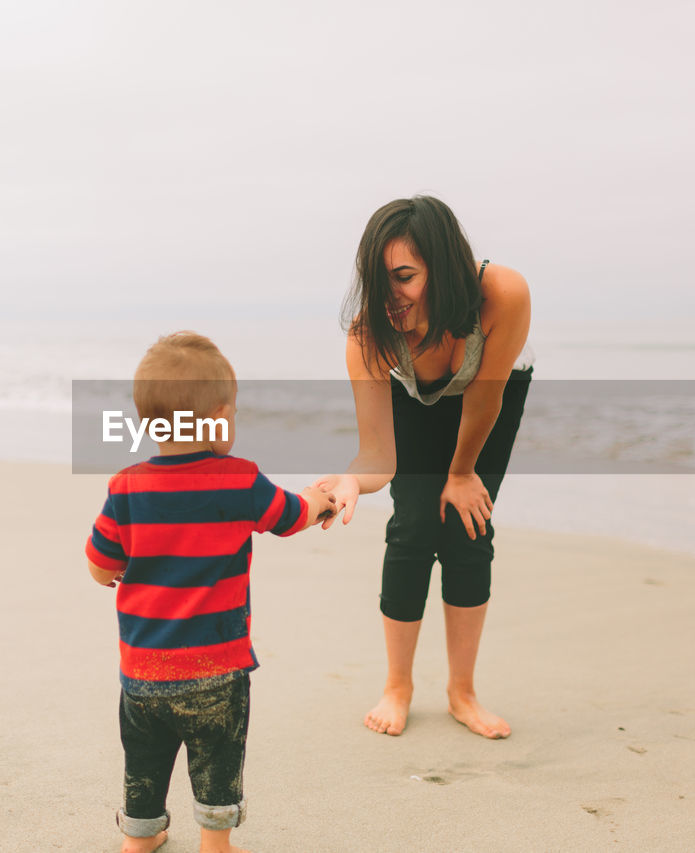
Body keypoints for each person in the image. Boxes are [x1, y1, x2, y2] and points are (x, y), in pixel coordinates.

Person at [86, 332, 335, 853]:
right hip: (216, 670)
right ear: (220, 417)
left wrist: (115, 570)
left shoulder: (126, 486)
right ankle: (215, 844)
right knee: (217, 756)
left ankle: (141, 838)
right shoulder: (239, 480)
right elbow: (292, 517)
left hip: (143, 671)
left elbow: (99, 563)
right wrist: (320, 499)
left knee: (145, 758)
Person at [315, 196, 533, 739]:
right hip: (415, 399)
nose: (392, 295)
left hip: (486, 402)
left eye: (405, 276)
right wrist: (350, 481)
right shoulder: (369, 335)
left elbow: (485, 400)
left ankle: (463, 692)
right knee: (412, 524)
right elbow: (377, 455)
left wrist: (461, 474)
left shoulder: (502, 293)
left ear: (443, 265)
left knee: (468, 527)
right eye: (379, 279)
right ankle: (398, 686)